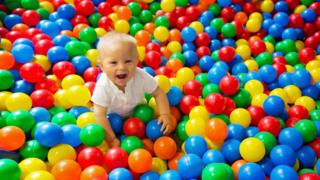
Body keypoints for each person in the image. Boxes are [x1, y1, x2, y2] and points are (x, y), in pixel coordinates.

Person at [91, 31, 173, 147]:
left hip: (140, 116)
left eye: (128, 61)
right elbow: (100, 116)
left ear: (136, 61)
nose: (122, 67)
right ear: (102, 66)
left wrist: (165, 114)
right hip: (112, 120)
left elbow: (159, 93)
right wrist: (112, 139)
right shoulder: (102, 86)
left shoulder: (141, 76)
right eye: (113, 62)